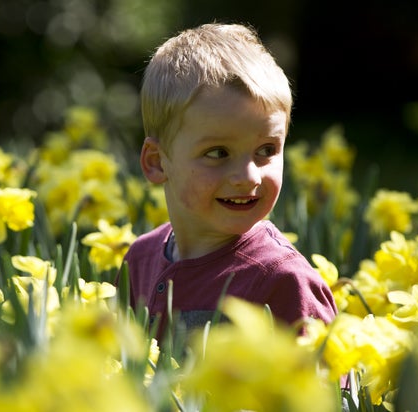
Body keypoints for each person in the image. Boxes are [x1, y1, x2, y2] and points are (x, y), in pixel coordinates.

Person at [121, 22, 338, 341]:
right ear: (156, 162)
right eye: (218, 153)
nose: (249, 177)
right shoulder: (139, 261)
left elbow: (327, 390)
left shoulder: (283, 280)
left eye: (266, 150)